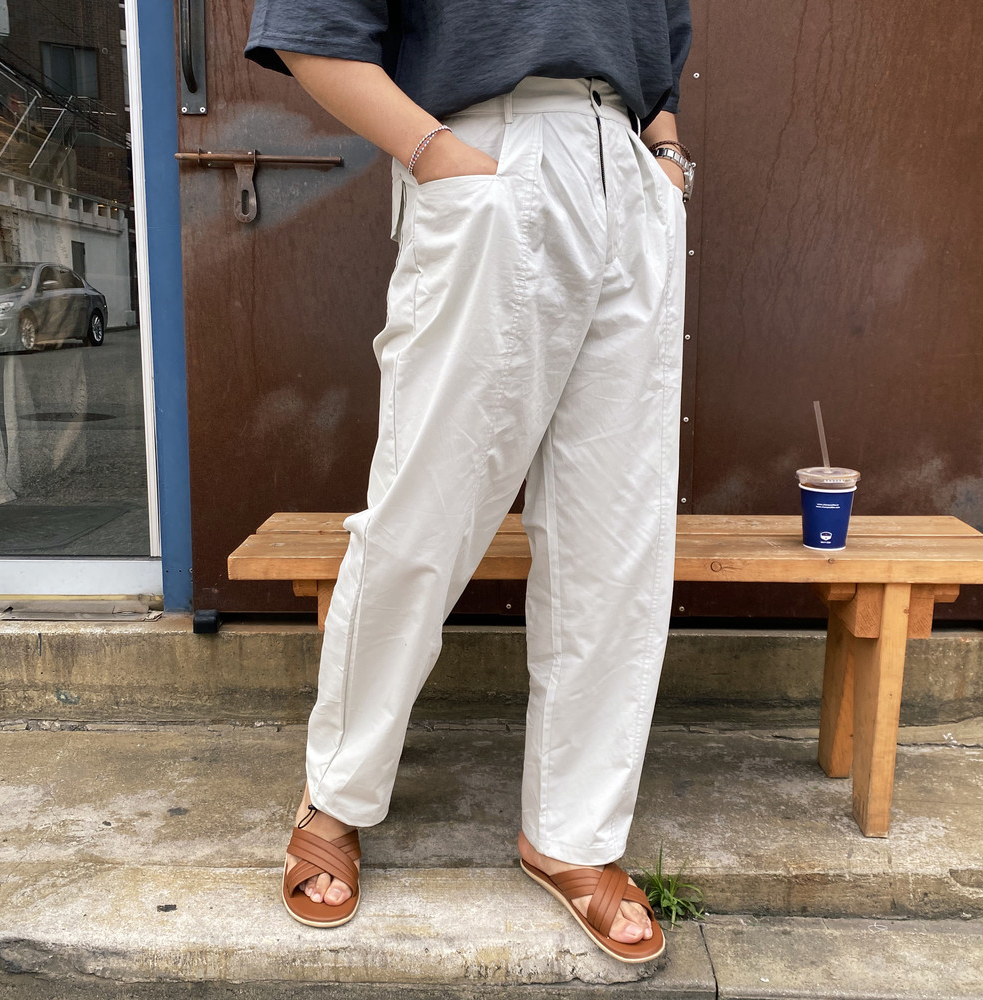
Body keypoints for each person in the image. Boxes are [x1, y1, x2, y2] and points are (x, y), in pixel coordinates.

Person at [245, 0, 693, 964]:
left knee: (617, 534)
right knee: (424, 514)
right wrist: (436, 152)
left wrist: (663, 152)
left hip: (629, 174)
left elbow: (662, 42)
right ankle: (337, 794)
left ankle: (573, 832)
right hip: (491, 157)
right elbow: (309, 27)